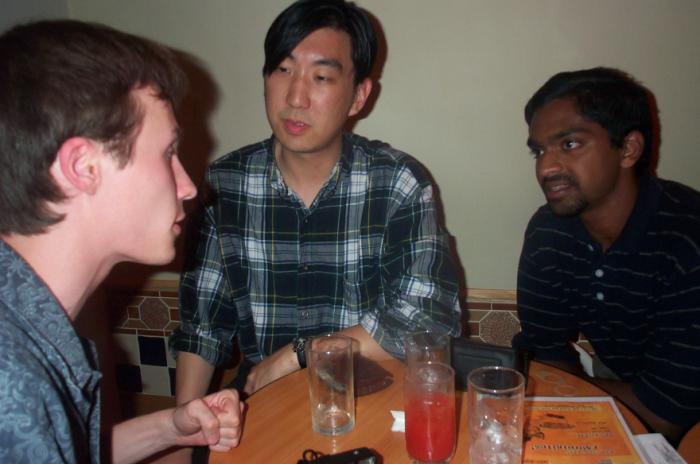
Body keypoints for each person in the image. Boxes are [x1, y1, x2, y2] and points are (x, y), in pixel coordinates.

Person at [171, 0, 459, 411]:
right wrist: (184, 425)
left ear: (358, 96)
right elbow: (202, 326)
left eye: (321, 76)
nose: (295, 97)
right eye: (282, 70)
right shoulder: (225, 184)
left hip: (370, 404)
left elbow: (429, 318)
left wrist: (301, 353)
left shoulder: (396, 183)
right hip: (263, 405)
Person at [0, 20, 244, 463]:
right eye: (168, 153)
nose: (188, 187)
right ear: (84, 167)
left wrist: (173, 426)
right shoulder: (14, 388)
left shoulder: (28, 330)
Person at [513, 67, 700, 442]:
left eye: (569, 144)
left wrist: (565, 390)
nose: (546, 167)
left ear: (628, 149)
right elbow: (545, 350)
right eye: (539, 150)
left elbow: (667, 415)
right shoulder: (549, 232)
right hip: (626, 392)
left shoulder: (687, 241)